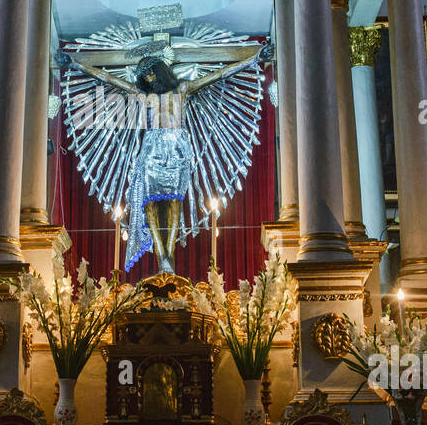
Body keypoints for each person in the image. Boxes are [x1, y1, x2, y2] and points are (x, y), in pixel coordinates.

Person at [59, 43, 271, 274]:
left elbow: (219, 75)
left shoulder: (181, 90)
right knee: (150, 204)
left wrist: (255, 58)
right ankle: (162, 259)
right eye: (144, 76)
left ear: (161, 70)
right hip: (151, 152)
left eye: (151, 72)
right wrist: (74, 64)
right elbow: (107, 79)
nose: (149, 79)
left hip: (178, 152)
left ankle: (168, 258)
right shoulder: (141, 95)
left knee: (174, 203)